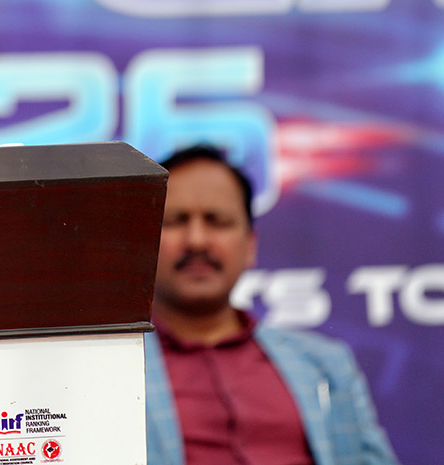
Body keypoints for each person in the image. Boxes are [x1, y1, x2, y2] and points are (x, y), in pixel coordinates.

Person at [145, 145, 399, 465]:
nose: (196, 240)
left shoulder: (326, 364)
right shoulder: (112, 371)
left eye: (218, 221)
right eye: (174, 221)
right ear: (144, 241)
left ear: (250, 245)